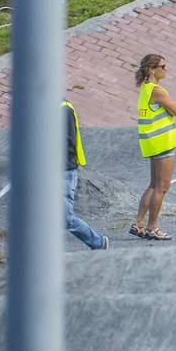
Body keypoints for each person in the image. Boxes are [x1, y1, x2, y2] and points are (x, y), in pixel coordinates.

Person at [130, 53, 176, 241]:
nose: (165, 70)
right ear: (152, 69)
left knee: (153, 185)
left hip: (151, 143)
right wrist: (174, 104)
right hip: (162, 143)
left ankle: (139, 224)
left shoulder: (145, 88)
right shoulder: (157, 91)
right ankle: (153, 227)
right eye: (162, 67)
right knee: (162, 187)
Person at [63, 100, 108, 251]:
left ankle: (98, 242)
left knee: (65, 218)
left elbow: (67, 143)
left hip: (63, 171)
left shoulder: (64, 109)